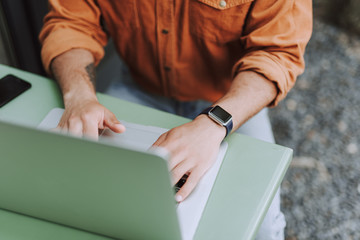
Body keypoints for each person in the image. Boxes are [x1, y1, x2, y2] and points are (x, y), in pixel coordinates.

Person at [39, 1, 312, 239]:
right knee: (93, 199)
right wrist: (79, 96)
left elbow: (277, 53)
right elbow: (70, 22)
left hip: (231, 99)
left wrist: (215, 123)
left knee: (262, 228)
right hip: (139, 86)